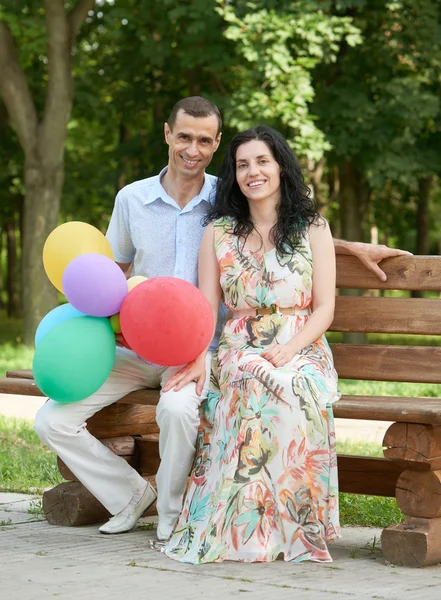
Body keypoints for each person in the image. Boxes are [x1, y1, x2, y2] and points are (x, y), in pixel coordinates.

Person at [34, 96, 409, 544]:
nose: (193, 149)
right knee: (51, 421)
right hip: (134, 348)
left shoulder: (226, 196)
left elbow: (283, 225)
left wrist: (353, 248)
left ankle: (172, 516)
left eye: (205, 140)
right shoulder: (131, 199)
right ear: (168, 134)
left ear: (215, 146)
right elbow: (109, 275)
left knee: (176, 411)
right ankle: (131, 495)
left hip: (197, 350)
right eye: (185, 137)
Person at [161, 125, 339, 564]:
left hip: (302, 344)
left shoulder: (313, 227)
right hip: (239, 345)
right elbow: (207, 308)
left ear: (280, 166)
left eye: (262, 161)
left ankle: (294, 525)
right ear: (235, 174)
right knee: (249, 381)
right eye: (242, 165)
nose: (252, 171)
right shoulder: (218, 233)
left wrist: (291, 347)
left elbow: (326, 308)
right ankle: (249, 529)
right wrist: (201, 355)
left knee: (290, 387)